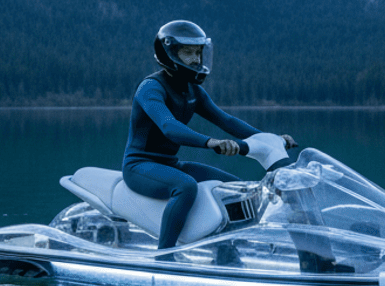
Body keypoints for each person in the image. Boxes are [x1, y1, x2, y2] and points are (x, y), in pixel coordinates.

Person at [122, 20, 295, 250]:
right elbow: (169, 127)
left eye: (198, 52)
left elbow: (227, 121)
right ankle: (165, 256)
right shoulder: (151, 88)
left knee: (236, 188)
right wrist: (210, 142)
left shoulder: (193, 91)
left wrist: (270, 139)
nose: (196, 59)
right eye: (188, 53)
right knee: (186, 186)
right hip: (139, 166)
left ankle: (225, 251)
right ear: (169, 53)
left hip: (171, 164)